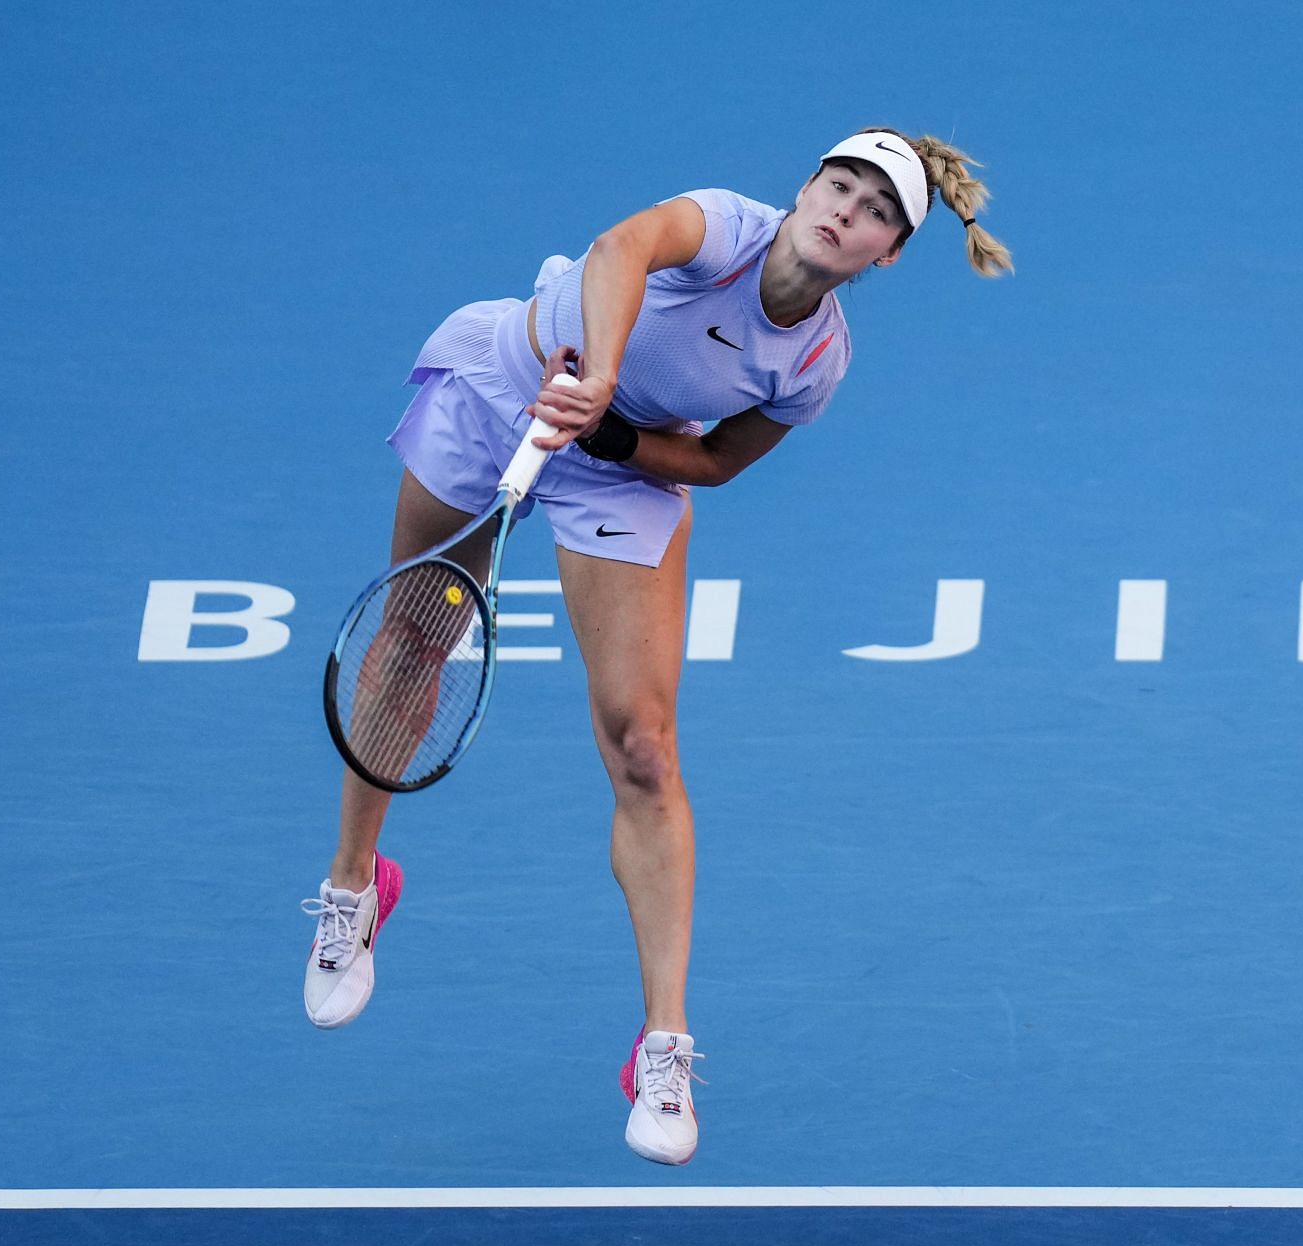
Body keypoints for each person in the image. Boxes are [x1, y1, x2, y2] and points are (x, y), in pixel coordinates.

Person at [299, 127, 1012, 1165]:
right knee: (416, 629)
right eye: (837, 183)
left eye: (873, 213)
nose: (844, 210)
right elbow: (622, 246)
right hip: (508, 383)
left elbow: (719, 459)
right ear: (807, 185)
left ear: (886, 255)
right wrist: (592, 374)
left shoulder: (815, 361)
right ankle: (355, 886)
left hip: (614, 467)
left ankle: (664, 1044)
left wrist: (614, 436)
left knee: (644, 744)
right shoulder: (723, 226)